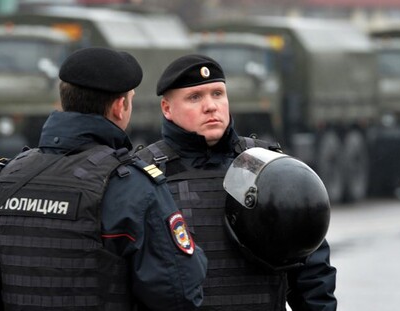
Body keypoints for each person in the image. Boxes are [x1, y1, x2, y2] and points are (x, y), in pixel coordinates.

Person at [0, 47, 207, 311]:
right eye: (131, 99)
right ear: (120, 107)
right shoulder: (131, 187)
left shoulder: (2, 179)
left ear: (64, 101)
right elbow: (178, 292)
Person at [135, 54, 337, 311]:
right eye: (194, 97)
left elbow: (311, 271)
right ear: (167, 108)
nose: (210, 106)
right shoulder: (143, 175)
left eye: (217, 94)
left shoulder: (268, 167)